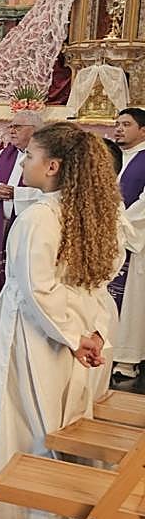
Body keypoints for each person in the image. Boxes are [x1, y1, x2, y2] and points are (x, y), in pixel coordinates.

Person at [0, 122, 122, 519]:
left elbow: (35, 288)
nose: (22, 162)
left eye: (30, 156)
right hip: (84, 325)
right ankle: (71, 513)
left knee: (23, 420)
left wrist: (72, 337)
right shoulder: (96, 211)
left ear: (52, 166)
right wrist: (88, 334)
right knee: (65, 418)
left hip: (38, 333)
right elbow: (102, 279)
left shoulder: (39, 215)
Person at [0, 111, 44, 329]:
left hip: (28, 230)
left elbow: (52, 192)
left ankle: (17, 323)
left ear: (34, 130)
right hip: (0, 226)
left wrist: (18, 194)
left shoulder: (45, 156)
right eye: (11, 126)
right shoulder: (4, 155)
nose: (11, 131)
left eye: (17, 127)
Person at [111, 107, 145, 380]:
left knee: (132, 299)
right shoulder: (113, 157)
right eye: (117, 124)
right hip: (111, 236)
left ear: (143, 130)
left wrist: (118, 223)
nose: (119, 129)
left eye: (126, 124)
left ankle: (126, 358)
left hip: (135, 239)